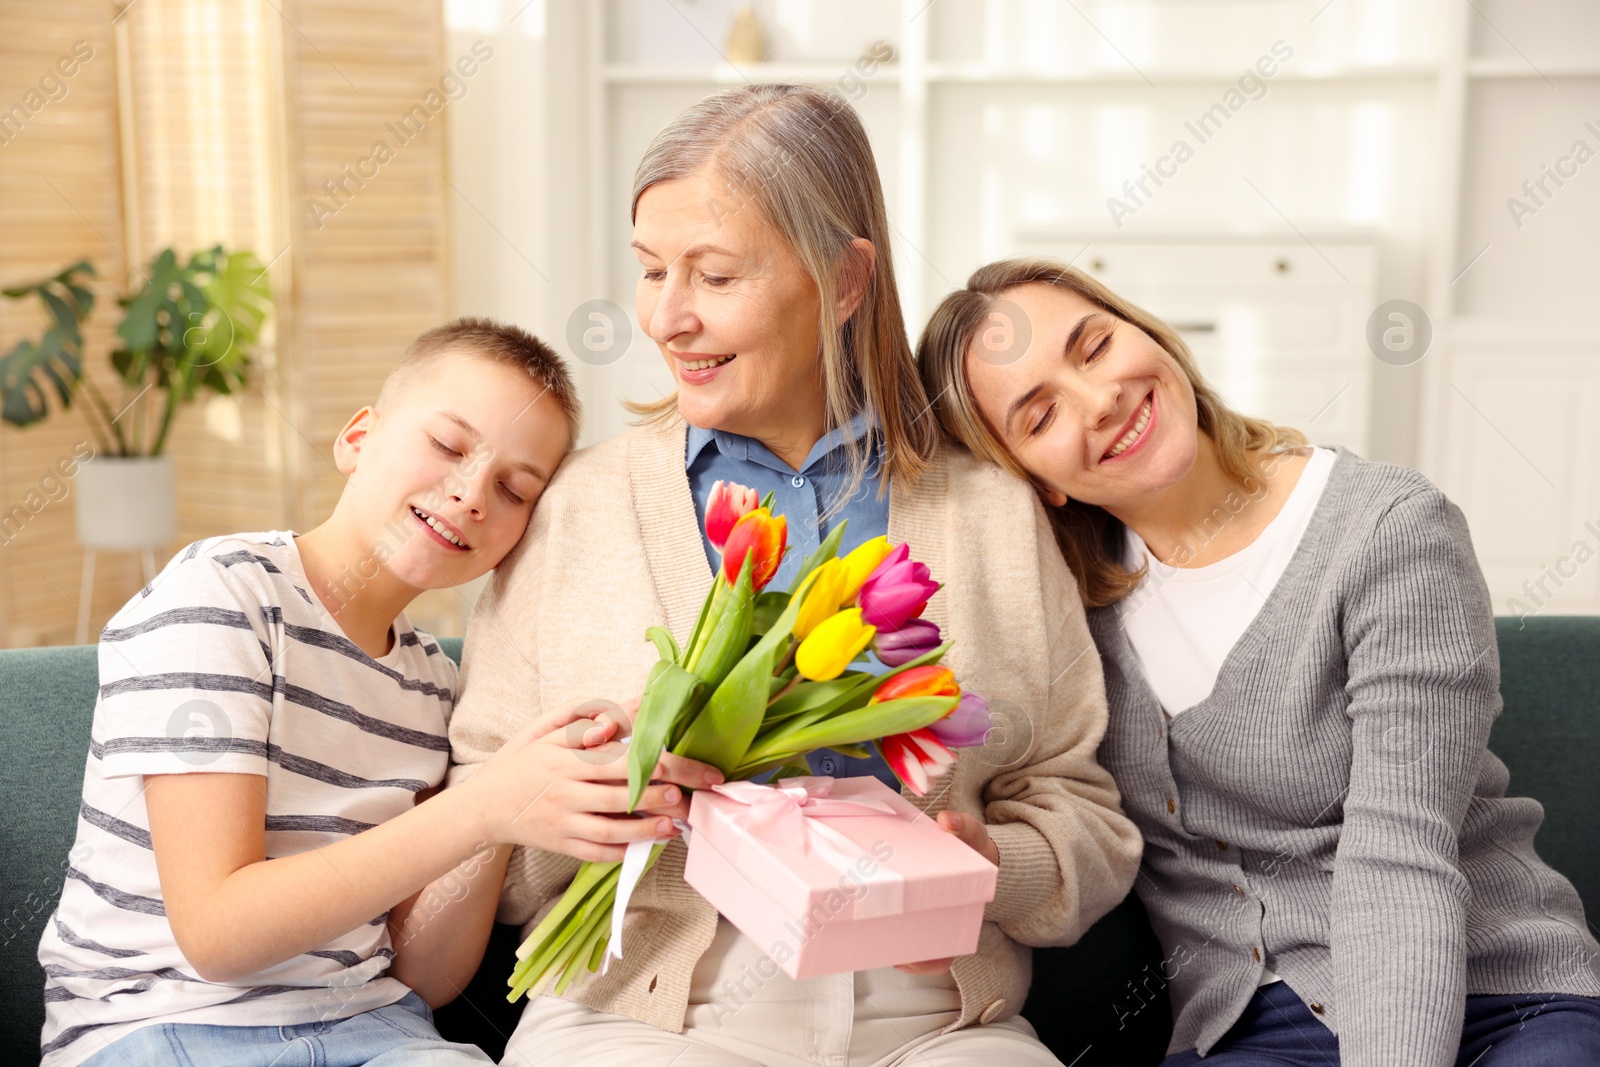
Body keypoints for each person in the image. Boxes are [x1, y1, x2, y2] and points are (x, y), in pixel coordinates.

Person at [447, 84, 1141, 1067]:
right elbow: (482, 806)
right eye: (649, 271)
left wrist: (993, 867)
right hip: (642, 1008)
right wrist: (582, 805)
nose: (665, 317)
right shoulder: (578, 507)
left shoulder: (988, 508)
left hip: (931, 1012)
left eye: (714, 274)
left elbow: (1078, 800)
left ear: (845, 278)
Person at [916, 258, 1600, 1066]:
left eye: (1095, 346)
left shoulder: (1387, 530)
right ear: (1036, 483)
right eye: (1040, 415)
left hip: (1496, 997)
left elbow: (1400, 859)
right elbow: (1048, 799)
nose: (1100, 401)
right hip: (1250, 1030)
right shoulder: (1070, 613)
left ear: (1144, 330)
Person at [38, 318, 719, 1067]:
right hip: (164, 1026)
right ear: (358, 438)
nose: (469, 494)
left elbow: (421, 972)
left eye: (514, 488)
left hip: (373, 1028)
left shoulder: (433, 683)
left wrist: (502, 798)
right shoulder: (222, 595)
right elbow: (218, 932)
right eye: (449, 446)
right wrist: (484, 803)